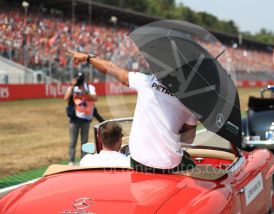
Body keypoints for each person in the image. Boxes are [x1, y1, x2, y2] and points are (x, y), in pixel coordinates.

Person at [68, 51, 197, 173]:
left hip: (139, 162)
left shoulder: (147, 82)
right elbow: (188, 139)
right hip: (170, 165)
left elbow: (111, 67)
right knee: (191, 164)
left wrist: (87, 58)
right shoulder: (192, 100)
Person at [64, 72, 97, 166]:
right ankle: (71, 161)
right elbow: (66, 98)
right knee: (72, 142)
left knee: (84, 141)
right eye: (78, 79)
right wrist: (72, 86)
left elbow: (95, 98)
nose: (80, 81)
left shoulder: (89, 87)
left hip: (86, 118)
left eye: (80, 79)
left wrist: (85, 92)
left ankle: (84, 160)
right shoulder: (72, 87)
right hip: (74, 117)